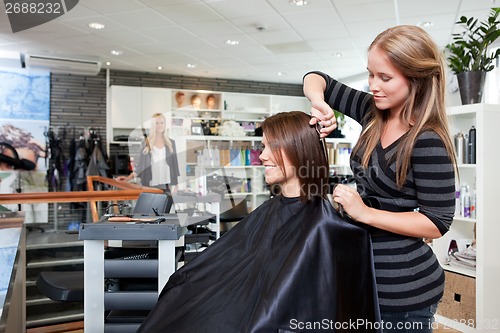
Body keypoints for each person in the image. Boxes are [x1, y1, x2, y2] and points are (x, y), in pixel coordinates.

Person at [137, 111, 381, 333]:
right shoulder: (273, 210)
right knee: (180, 288)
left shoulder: (319, 225)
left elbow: (282, 308)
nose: (262, 156)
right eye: (262, 147)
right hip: (243, 310)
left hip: (259, 321)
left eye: (270, 147)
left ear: (298, 148)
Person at [303, 25, 457, 332]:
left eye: (385, 77)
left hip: (403, 289)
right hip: (363, 273)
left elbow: (437, 222)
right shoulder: (371, 111)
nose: (374, 85)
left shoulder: (427, 140)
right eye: (370, 74)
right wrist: (320, 103)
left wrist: (365, 213)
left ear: (416, 79)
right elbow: (316, 78)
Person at [117, 113, 179, 194]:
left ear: (165, 124)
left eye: (162, 123)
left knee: (166, 206)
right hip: (150, 184)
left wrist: (177, 184)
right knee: (152, 206)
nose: (160, 125)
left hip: (167, 184)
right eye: (157, 123)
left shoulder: (171, 143)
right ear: (153, 125)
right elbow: (140, 166)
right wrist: (127, 179)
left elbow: (174, 165)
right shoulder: (146, 143)